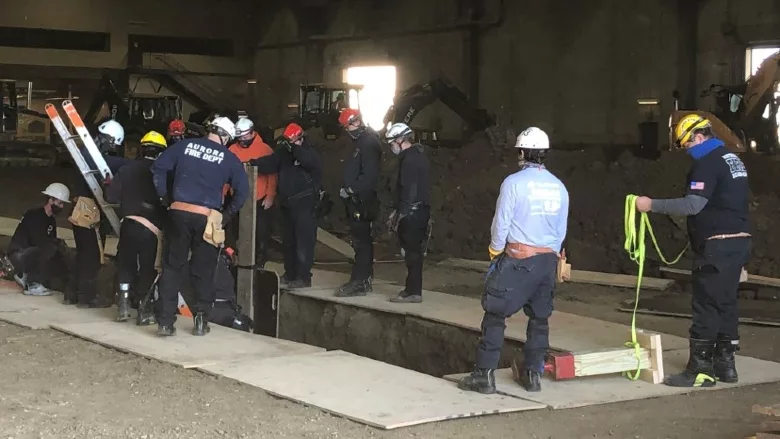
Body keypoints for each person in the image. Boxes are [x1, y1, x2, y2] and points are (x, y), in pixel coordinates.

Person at [634, 114, 750, 387]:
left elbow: (692, 205)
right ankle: (726, 366)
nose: (687, 150)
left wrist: (651, 205)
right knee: (726, 302)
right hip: (739, 241)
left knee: (706, 305)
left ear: (698, 137)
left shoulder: (707, 164)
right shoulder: (733, 160)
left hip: (717, 245)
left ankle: (700, 369)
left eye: (686, 144)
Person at [458, 127, 569, 395]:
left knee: (495, 313)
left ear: (522, 152)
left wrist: (496, 252)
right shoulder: (559, 187)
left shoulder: (513, 183)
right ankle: (533, 376)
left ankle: (484, 376)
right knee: (540, 319)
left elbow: (501, 224)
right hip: (547, 261)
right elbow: (561, 231)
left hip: (519, 258)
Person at [151, 117, 249, 337]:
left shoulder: (183, 146)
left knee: (172, 267)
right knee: (203, 270)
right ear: (225, 136)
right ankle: (201, 321)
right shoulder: (229, 158)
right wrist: (225, 216)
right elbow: (243, 192)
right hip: (207, 218)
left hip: (178, 212)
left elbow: (158, 168)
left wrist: (165, 198)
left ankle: (165, 322)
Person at [106, 130, 168, 324]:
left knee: (126, 264)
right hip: (151, 230)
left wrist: (109, 185)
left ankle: (123, 305)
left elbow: (111, 197)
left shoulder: (126, 169)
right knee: (148, 268)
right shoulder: (163, 173)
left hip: (129, 225)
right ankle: (144, 309)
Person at [249, 123, 321, 289]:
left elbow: (308, 161)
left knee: (303, 242)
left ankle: (303, 277)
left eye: (293, 140)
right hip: (288, 204)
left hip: (305, 203)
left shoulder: (310, 153)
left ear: (301, 138)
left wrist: (295, 147)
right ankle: (290, 274)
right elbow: (270, 163)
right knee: (289, 241)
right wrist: (252, 163)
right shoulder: (284, 153)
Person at [69, 119, 130, 308]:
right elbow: (115, 164)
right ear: (111, 142)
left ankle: (72, 294)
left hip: (83, 211)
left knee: (84, 254)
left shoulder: (86, 154)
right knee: (92, 257)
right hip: (89, 212)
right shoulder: (94, 158)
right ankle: (85, 297)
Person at [335, 109, 382, 297]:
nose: (347, 131)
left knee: (362, 241)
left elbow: (369, 176)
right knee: (360, 241)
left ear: (356, 122)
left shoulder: (369, 143)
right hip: (356, 200)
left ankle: (360, 281)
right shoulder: (360, 142)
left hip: (362, 200)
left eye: (348, 126)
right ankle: (363, 278)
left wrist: (351, 190)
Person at [384, 123, 431, 303]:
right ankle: (412, 289)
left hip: (412, 213)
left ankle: (413, 291)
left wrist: (400, 214)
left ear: (400, 139)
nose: (391, 147)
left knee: (412, 253)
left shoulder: (409, 161)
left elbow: (408, 189)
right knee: (414, 252)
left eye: (392, 143)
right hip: (420, 211)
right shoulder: (418, 156)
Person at [225, 117, 277, 268]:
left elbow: (272, 176)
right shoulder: (232, 150)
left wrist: (270, 196)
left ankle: (259, 261)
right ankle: (233, 258)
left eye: (245, 136)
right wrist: (223, 194)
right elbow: (226, 174)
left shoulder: (265, 150)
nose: (242, 140)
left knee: (260, 232)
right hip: (237, 199)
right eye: (239, 137)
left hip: (259, 198)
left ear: (252, 133)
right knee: (233, 231)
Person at [8, 183, 71, 296]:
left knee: (57, 251)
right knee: (49, 247)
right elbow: (38, 241)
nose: (62, 207)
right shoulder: (34, 215)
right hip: (19, 254)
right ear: (50, 200)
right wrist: (54, 243)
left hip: (31, 254)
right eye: (60, 203)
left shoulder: (51, 221)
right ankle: (31, 284)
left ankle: (66, 287)